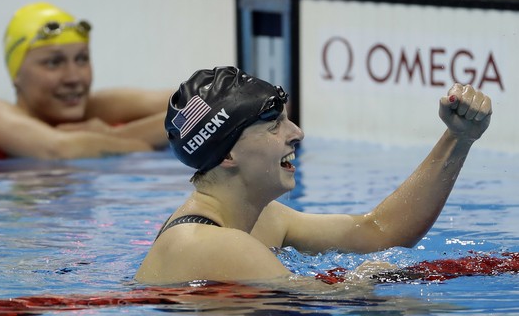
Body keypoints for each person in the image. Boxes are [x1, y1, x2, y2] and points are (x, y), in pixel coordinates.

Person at [135, 66, 492, 285]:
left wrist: (458, 138)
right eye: (275, 125)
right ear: (227, 153)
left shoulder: (258, 220)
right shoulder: (210, 244)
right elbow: (329, 302)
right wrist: (364, 280)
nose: (297, 132)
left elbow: (381, 232)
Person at [0, 2, 171, 160]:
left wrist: (113, 136)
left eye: (82, 59)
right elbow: (59, 149)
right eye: (53, 63)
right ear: (16, 74)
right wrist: (134, 140)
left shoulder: (98, 107)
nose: (73, 77)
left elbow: (199, 100)